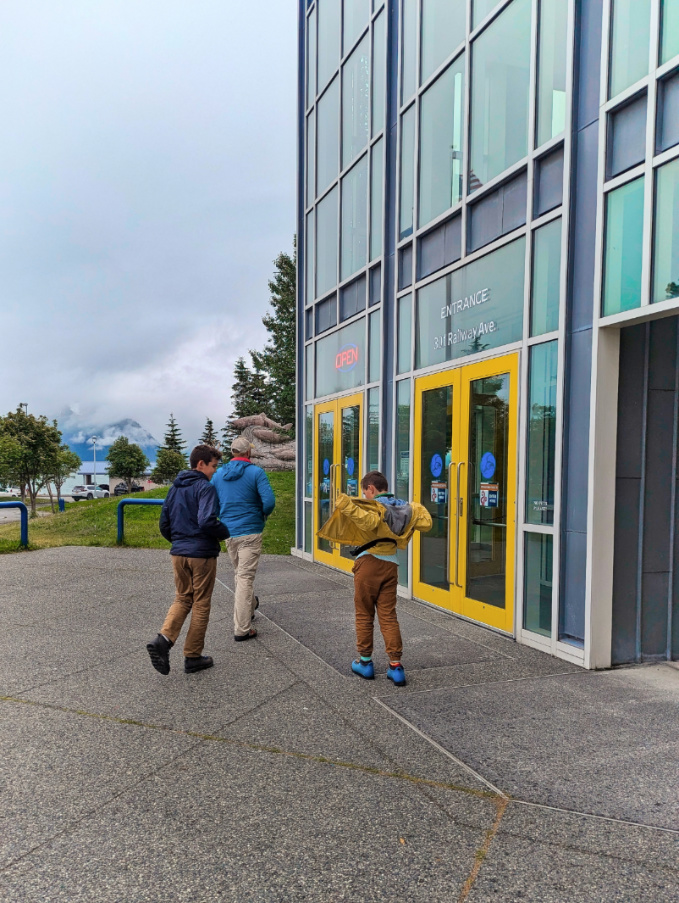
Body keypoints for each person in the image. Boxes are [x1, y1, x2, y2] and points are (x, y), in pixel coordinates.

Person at [317, 470, 432, 686]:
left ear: (371, 488)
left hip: (368, 564)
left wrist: (346, 503)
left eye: (365, 492)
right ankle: (396, 666)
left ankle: (365, 662)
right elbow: (426, 523)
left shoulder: (375, 508)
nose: (365, 496)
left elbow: (369, 522)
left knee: (364, 614)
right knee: (388, 616)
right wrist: (416, 506)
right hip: (391, 565)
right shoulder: (403, 508)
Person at [146, 444, 229, 675]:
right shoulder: (205, 488)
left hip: (178, 553)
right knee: (201, 602)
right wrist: (224, 532)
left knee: (183, 598)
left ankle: (163, 640)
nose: (214, 471)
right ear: (200, 464)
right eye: (213, 466)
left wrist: (179, 542)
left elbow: (164, 524)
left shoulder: (175, 488)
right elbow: (206, 521)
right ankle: (193, 656)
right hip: (201, 555)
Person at [211, 436, 275, 641]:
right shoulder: (256, 473)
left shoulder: (218, 475)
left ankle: (251, 606)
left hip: (229, 533)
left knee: (241, 573)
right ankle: (242, 629)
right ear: (248, 452)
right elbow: (269, 502)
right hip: (251, 531)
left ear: (232, 453)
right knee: (244, 578)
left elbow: (212, 502)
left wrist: (223, 517)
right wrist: (261, 515)